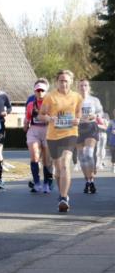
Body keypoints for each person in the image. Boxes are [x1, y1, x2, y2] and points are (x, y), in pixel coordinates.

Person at [40, 69, 83, 212]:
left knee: (65, 164)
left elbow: (78, 114)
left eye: (66, 80)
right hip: (53, 136)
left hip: (70, 134)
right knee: (58, 170)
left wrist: (77, 120)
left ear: (71, 82)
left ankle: (64, 197)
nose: (63, 83)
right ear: (56, 82)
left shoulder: (77, 97)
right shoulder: (50, 97)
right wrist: (49, 118)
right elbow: (41, 115)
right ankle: (62, 194)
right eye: (61, 80)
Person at [25, 79, 54, 193]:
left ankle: (47, 183)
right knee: (35, 156)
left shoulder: (51, 104)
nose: (40, 93)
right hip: (34, 130)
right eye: (38, 91)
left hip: (47, 130)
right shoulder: (31, 104)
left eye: (42, 91)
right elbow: (27, 118)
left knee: (47, 160)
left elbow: (55, 119)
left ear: (46, 92)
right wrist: (25, 125)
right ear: (35, 92)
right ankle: (37, 183)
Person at [76, 78, 104, 194]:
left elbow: (101, 112)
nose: (83, 88)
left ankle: (92, 179)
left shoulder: (94, 100)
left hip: (91, 127)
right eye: (81, 85)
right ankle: (88, 181)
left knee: (88, 154)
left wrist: (95, 115)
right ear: (78, 87)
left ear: (89, 87)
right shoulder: (74, 100)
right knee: (82, 157)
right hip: (78, 128)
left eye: (85, 85)